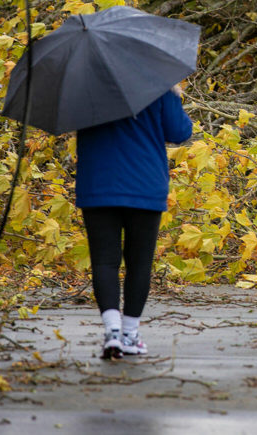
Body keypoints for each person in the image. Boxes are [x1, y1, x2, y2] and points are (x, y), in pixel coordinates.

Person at [75, 83, 193, 359]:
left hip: (97, 183)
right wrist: (173, 96)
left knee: (105, 260)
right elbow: (181, 132)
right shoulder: (158, 86)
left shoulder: (83, 88)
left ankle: (112, 331)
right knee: (139, 263)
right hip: (145, 185)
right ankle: (130, 333)